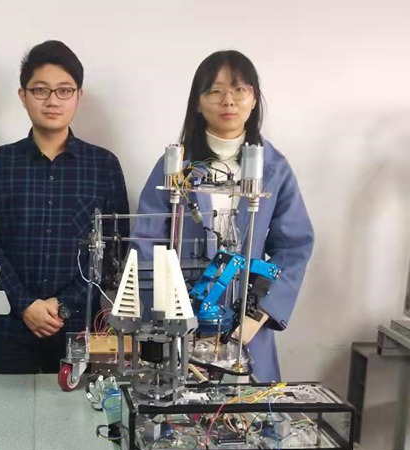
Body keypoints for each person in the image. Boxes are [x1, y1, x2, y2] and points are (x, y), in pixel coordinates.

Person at [132, 50, 314, 382]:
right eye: (215, 91)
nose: (228, 101)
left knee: (245, 407)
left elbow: (294, 246)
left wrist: (258, 314)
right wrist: (168, 314)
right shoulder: (175, 168)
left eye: (239, 90)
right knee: (175, 403)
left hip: (245, 328)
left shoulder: (274, 169)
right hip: (181, 327)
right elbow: (146, 243)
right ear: (198, 103)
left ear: (254, 100)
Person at [0, 40, 130, 374]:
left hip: (79, 329)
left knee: (83, 408)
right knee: (0, 407)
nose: (53, 100)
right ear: (23, 95)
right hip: (7, 328)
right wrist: (25, 303)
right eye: (40, 90)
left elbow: (114, 251)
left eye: (64, 90)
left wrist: (64, 304)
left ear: (78, 96)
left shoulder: (103, 165)